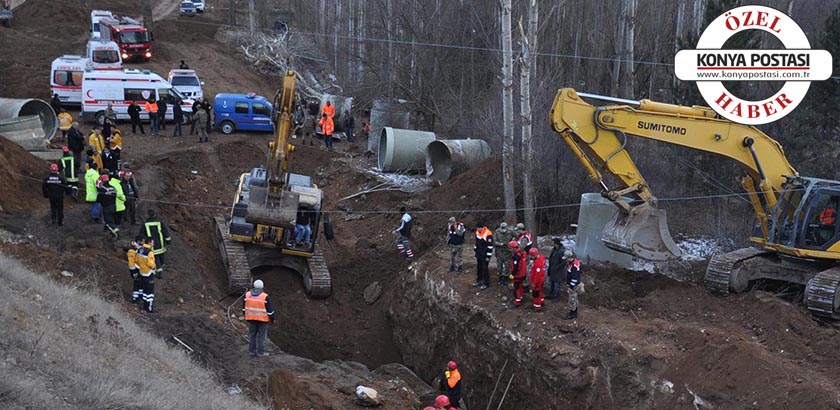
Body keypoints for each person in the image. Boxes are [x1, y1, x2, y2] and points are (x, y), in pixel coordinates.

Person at [243, 279, 275, 357]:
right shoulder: (265, 297)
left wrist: (246, 315)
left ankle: (251, 351)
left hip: (251, 319)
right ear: (262, 287)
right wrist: (272, 319)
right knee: (261, 336)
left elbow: (243, 308)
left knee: (252, 335)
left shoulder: (247, 295)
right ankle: (260, 352)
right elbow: (269, 311)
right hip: (262, 320)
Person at [141, 210, 172, 274]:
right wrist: (168, 241)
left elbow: (141, 235)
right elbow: (165, 232)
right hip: (161, 243)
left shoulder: (145, 224)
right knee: (161, 254)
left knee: (155, 256)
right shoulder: (159, 223)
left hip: (151, 244)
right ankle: (162, 265)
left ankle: (159, 270)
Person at [135, 236, 157, 312]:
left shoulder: (140, 249)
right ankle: (149, 308)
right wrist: (154, 268)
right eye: (153, 242)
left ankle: (145, 306)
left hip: (142, 273)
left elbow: (136, 260)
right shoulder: (149, 252)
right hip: (148, 274)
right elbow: (150, 263)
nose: (153, 244)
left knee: (144, 291)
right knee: (150, 292)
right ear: (150, 242)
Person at [96, 173, 119, 239]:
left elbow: (98, 199)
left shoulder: (103, 189)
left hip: (107, 207)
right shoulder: (113, 188)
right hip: (114, 206)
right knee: (111, 220)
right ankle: (107, 232)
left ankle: (117, 234)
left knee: (109, 222)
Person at [473, 222, 493, 290]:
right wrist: (475, 249)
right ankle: (479, 280)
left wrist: (488, 256)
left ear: (482, 227)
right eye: (477, 228)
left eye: (479, 228)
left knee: (485, 268)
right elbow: (476, 242)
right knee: (479, 267)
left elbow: (490, 246)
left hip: (485, 254)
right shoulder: (477, 232)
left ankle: (486, 283)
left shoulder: (488, 233)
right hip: (479, 253)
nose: (478, 229)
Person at [508, 241, 528, 308]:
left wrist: (512, 274)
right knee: (520, 287)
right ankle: (520, 297)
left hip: (518, 275)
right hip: (523, 274)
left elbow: (516, 267)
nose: (510, 250)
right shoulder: (522, 253)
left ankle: (517, 302)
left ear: (514, 248)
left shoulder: (517, 256)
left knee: (516, 289)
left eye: (510, 248)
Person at [563, 250, 582, 320]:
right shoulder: (575, 262)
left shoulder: (573, 266)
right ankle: (574, 312)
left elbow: (574, 278)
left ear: (569, 258)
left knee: (572, 299)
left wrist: (571, 287)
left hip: (574, 286)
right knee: (575, 299)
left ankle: (572, 314)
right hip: (576, 284)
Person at [528, 247, 547, 312]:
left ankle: (537, 307)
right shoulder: (541, 258)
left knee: (536, 294)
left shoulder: (537, 263)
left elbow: (537, 275)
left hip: (537, 281)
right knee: (540, 291)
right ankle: (541, 301)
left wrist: (534, 283)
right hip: (542, 279)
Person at [126, 235, 143, 303]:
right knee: (137, 284)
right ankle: (135, 298)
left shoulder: (138, 248)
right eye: (142, 241)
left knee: (141, 284)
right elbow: (131, 263)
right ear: (139, 241)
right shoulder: (132, 250)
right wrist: (133, 271)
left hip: (139, 269)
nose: (143, 243)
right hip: (135, 269)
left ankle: (139, 297)